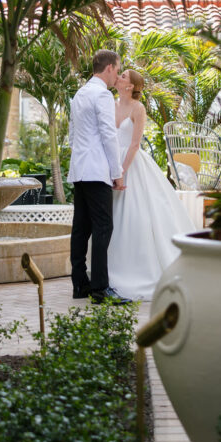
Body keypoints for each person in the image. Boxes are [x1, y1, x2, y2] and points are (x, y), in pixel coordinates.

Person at [108, 68, 196, 300]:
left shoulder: (138, 108)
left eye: (124, 76)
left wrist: (120, 172)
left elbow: (135, 144)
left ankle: (139, 269)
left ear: (131, 86)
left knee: (137, 216)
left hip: (131, 166)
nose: (119, 77)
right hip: (109, 164)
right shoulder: (110, 104)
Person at [67, 50, 131, 305]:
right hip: (96, 171)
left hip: (79, 170)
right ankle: (101, 289)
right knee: (104, 228)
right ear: (108, 69)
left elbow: (72, 135)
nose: (117, 75)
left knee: (81, 229)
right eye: (117, 70)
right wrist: (117, 173)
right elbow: (109, 135)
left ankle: (80, 284)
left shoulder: (80, 94)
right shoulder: (103, 95)